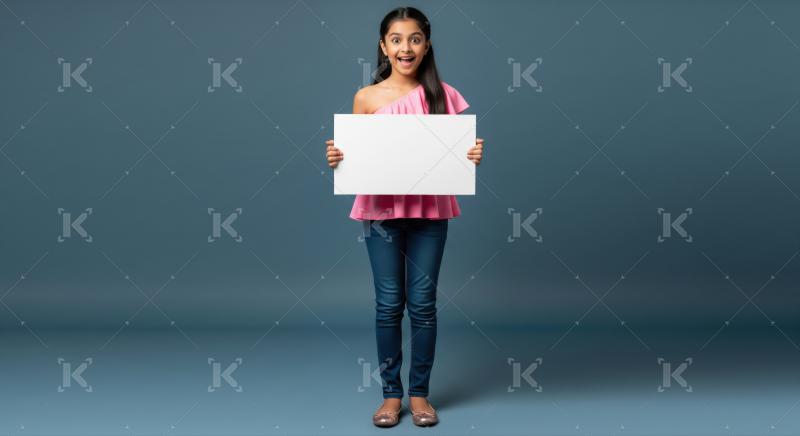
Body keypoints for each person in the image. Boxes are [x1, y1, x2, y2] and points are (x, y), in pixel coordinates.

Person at [325, 6, 484, 428]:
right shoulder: (367, 97)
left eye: (414, 38)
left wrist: (471, 157)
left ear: (426, 44)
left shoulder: (443, 96)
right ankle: (390, 395)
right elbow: (355, 156)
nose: (405, 47)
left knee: (424, 306)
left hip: (430, 211)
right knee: (388, 305)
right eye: (396, 39)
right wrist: (338, 157)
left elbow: (452, 157)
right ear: (384, 46)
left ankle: (419, 395)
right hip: (380, 213)